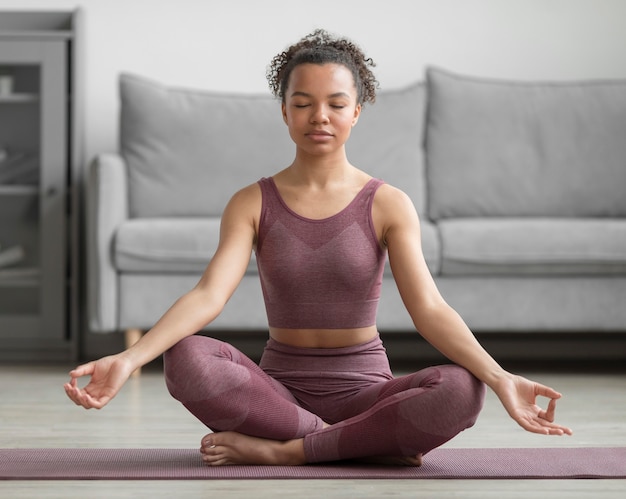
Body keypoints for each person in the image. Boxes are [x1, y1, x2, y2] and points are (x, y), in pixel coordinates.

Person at [65, 29, 572, 466]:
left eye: (335, 104)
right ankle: (358, 446)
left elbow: (430, 309)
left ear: (357, 111)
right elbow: (207, 295)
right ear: (284, 111)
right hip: (275, 394)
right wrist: (131, 359)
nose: (319, 117)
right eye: (303, 104)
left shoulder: (388, 203)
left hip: (368, 394)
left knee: (462, 390)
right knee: (184, 358)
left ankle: (286, 450)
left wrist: (500, 377)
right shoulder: (251, 201)